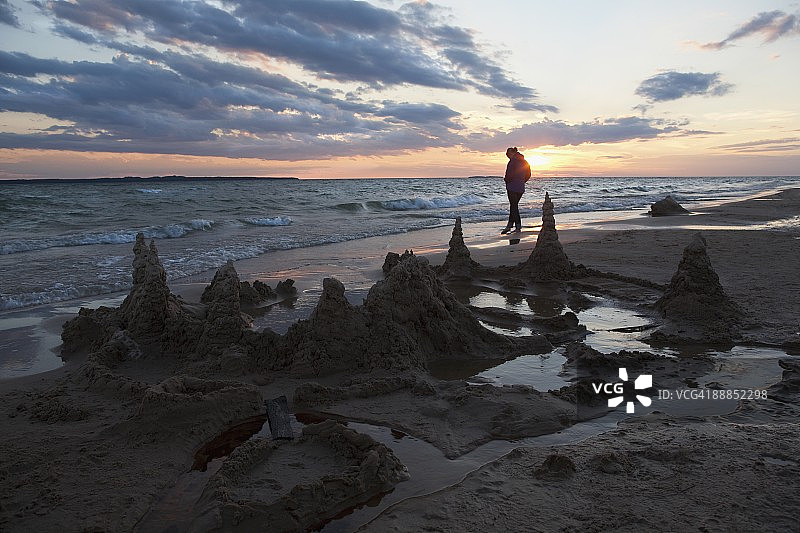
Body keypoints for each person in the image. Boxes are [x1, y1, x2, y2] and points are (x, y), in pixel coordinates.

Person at [501, 146, 531, 234]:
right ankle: (509, 225)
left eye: (508, 154)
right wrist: (522, 181)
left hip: (512, 186)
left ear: (512, 153)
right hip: (520, 187)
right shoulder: (525, 162)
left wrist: (507, 180)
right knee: (514, 206)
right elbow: (528, 174)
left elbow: (509, 173)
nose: (508, 156)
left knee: (514, 206)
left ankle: (517, 226)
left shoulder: (512, 161)